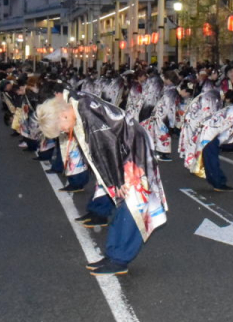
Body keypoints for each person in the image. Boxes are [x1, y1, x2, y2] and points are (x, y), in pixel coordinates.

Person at [37, 91, 168, 277]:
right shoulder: (77, 104)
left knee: (134, 206)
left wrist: (119, 179)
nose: (65, 132)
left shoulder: (85, 110)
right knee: (126, 205)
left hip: (131, 150)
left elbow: (108, 145)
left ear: (63, 115)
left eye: (61, 128)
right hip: (127, 147)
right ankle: (115, 254)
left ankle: (119, 258)